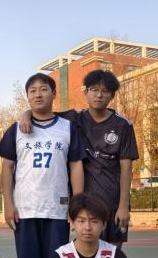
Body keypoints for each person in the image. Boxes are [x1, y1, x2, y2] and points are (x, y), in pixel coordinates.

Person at [0, 72, 86, 258]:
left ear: (53, 93)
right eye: (32, 90)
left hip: (57, 210)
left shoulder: (68, 128)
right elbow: (7, 167)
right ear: (27, 96)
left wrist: (77, 206)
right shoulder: (16, 129)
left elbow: (76, 166)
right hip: (25, 210)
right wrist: (8, 203)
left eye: (43, 89)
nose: (38, 94)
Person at [19, 69, 138, 247]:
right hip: (84, 203)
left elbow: (126, 168)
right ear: (86, 92)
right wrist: (26, 115)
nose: (99, 95)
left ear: (112, 96)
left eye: (105, 91)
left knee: (113, 253)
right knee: (86, 252)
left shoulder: (123, 125)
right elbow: (43, 114)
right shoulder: (73, 119)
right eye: (94, 90)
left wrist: (123, 205)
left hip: (112, 202)